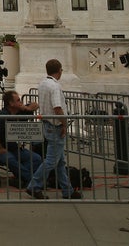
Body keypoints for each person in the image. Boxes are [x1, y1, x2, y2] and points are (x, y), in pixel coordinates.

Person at [26, 59, 82, 199]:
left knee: (59, 161)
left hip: (47, 124)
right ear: (59, 70)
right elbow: (58, 108)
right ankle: (34, 185)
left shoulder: (43, 84)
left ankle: (67, 190)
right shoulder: (55, 87)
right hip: (55, 126)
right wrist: (64, 124)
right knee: (51, 160)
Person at [0, 90, 42, 188]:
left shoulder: (21, 112)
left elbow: (35, 105)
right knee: (11, 159)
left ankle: (21, 179)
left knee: (36, 159)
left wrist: (26, 108)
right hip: (0, 150)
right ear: (11, 103)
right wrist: (0, 148)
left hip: (14, 148)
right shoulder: (2, 115)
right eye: (18, 100)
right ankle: (32, 180)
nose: (20, 102)